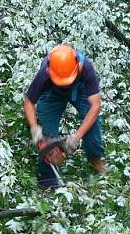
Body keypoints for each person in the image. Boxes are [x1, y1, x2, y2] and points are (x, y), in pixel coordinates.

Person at [23, 44, 107, 188]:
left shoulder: (85, 67)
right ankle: (49, 181)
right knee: (47, 141)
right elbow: (29, 101)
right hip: (52, 93)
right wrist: (34, 128)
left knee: (92, 124)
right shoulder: (45, 73)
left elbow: (95, 106)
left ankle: (95, 159)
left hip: (80, 90)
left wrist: (77, 136)